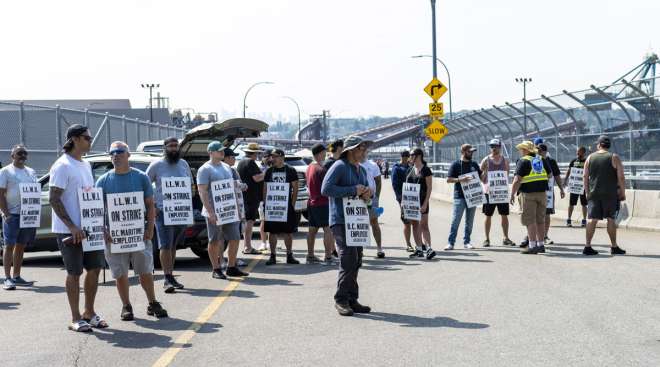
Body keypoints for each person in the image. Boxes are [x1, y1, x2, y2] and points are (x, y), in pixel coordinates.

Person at [96, 142, 168, 320]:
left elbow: (150, 205)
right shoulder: (103, 180)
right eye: (112, 153)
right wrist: (102, 230)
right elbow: (97, 209)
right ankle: (126, 306)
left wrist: (149, 228)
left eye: (120, 152)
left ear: (128, 155)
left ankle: (152, 303)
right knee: (120, 273)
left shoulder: (141, 177)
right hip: (114, 237)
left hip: (139, 235)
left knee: (145, 271)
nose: (115, 155)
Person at [49, 124, 107, 332]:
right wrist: (72, 226)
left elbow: (90, 197)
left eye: (90, 138)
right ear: (74, 139)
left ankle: (89, 312)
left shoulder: (85, 165)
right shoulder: (62, 165)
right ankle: (75, 318)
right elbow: (54, 198)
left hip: (90, 229)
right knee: (74, 273)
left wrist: (101, 225)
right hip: (69, 230)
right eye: (86, 138)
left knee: (95, 269)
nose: (90, 141)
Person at [321, 135, 373, 317]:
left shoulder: (362, 170)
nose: (364, 151)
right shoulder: (339, 166)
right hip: (340, 220)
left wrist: (367, 195)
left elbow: (366, 193)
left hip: (356, 220)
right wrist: (353, 190)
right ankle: (341, 299)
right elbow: (325, 189)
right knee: (348, 257)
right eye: (361, 148)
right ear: (351, 150)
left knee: (357, 258)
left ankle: (352, 298)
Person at [145, 137, 192, 294]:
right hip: (163, 212)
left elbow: (190, 186)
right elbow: (146, 186)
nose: (174, 148)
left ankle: (170, 275)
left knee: (173, 245)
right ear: (164, 148)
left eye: (176, 146)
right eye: (171, 146)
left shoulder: (184, 164)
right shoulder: (157, 165)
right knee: (165, 245)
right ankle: (166, 278)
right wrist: (153, 206)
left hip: (181, 212)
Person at [198, 141, 248, 279]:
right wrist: (210, 212)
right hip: (214, 211)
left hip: (230, 209)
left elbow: (231, 187)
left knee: (235, 238)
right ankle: (216, 268)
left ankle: (231, 266)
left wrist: (238, 208)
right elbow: (202, 191)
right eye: (219, 150)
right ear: (211, 153)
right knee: (214, 240)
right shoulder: (205, 169)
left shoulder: (227, 167)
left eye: (222, 150)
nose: (222, 152)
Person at [0, 145, 38, 290]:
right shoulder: (5, 171)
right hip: (12, 214)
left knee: (21, 246)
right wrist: (5, 213)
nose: (22, 155)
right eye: (19, 153)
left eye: (25, 153)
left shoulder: (31, 172)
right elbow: (1, 194)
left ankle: (16, 276)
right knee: (9, 246)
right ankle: (7, 278)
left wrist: (34, 213)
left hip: (27, 215)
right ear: (12, 156)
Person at [583, 136, 626, 256]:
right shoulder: (614, 157)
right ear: (609, 145)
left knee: (592, 220)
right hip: (610, 195)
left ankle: (587, 246)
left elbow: (585, 176)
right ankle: (614, 246)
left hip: (594, 194)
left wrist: (587, 192)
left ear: (598, 145)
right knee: (611, 219)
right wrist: (622, 192)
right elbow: (621, 177)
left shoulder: (590, 157)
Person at [509, 141, 551, 254]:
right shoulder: (541, 159)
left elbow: (517, 179)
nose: (520, 151)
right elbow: (549, 174)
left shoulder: (523, 161)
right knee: (540, 220)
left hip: (528, 194)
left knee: (530, 220)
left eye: (522, 149)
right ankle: (541, 245)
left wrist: (512, 194)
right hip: (542, 194)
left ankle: (532, 245)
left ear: (526, 150)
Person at [263, 149, 300, 266]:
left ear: (282, 157)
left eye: (275, 156)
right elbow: (265, 188)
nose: (272, 159)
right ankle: (272, 255)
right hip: (272, 206)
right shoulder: (269, 171)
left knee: (288, 232)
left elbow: (295, 188)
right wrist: (265, 203)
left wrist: (292, 205)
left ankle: (289, 255)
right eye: (271, 157)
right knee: (272, 232)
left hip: (286, 205)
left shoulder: (290, 170)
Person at [479, 139, 515, 247]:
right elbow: (481, 175)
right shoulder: (486, 160)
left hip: (501, 192)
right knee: (488, 215)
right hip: (489, 192)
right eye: (492, 146)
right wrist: (485, 174)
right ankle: (486, 239)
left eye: (496, 146)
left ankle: (506, 238)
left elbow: (507, 173)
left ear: (500, 147)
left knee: (504, 215)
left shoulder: (505, 160)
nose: (494, 148)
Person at [445, 144, 482, 250]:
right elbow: (449, 179)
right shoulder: (456, 164)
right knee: (456, 220)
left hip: (473, 195)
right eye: (470, 151)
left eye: (472, 151)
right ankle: (450, 242)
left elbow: (481, 178)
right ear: (463, 152)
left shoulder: (474, 164)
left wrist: (485, 169)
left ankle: (467, 242)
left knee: (469, 221)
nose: (472, 153)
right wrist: (461, 179)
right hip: (459, 196)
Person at [305, 143, 336, 265]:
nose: (326, 154)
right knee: (328, 230)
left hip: (312, 202)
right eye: (324, 152)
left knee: (312, 230)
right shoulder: (321, 169)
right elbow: (327, 188)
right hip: (323, 203)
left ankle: (310, 255)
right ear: (319, 153)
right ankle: (328, 257)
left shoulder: (309, 167)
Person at [405, 148, 436, 259]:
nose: (410, 157)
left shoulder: (426, 170)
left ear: (418, 156)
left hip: (422, 201)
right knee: (414, 225)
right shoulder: (409, 169)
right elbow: (407, 187)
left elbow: (429, 188)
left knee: (424, 225)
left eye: (412, 155)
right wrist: (405, 202)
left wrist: (425, 203)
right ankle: (418, 249)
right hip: (411, 203)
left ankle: (428, 248)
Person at [236, 143, 265, 255]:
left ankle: (247, 246)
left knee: (247, 221)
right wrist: (266, 172)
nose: (257, 155)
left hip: (245, 196)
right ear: (254, 153)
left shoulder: (241, 162)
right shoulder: (250, 162)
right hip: (251, 197)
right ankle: (248, 247)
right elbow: (257, 178)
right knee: (250, 222)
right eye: (257, 153)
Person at [223, 148, 249, 268]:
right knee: (223, 237)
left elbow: (239, 184)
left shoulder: (232, 170)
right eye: (233, 157)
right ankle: (223, 261)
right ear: (227, 158)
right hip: (226, 208)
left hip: (236, 208)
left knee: (235, 235)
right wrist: (241, 185)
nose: (234, 159)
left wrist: (242, 185)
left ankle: (233, 259)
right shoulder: (222, 171)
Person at [537, 143, 565, 245]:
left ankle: (545, 235)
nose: (538, 152)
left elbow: (557, 176)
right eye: (537, 150)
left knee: (547, 214)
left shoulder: (551, 161)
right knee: (536, 215)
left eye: (540, 151)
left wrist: (561, 189)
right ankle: (534, 236)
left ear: (545, 151)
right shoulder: (534, 160)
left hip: (548, 192)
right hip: (535, 192)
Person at [361, 156, 384, 258]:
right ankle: (359, 250)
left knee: (374, 222)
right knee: (359, 223)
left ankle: (379, 248)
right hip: (356, 199)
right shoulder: (353, 164)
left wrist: (377, 197)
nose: (362, 152)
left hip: (371, 198)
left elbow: (378, 181)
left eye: (364, 150)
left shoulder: (373, 165)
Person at [391, 150, 413, 252]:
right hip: (403, 197)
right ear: (403, 157)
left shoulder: (411, 167)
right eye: (406, 156)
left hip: (413, 196)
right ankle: (408, 244)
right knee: (407, 220)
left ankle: (419, 243)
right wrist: (400, 199)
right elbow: (395, 184)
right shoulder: (397, 168)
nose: (407, 158)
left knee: (416, 221)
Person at [565, 146, 588, 227]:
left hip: (583, 186)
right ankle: (569, 219)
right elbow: (569, 170)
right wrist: (565, 180)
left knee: (584, 204)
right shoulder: (574, 161)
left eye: (579, 151)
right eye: (577, 151)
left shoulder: (587, 161)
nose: (577, 153)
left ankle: (584, 220)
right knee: (571, 203)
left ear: (583, 152)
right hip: (574, 186)